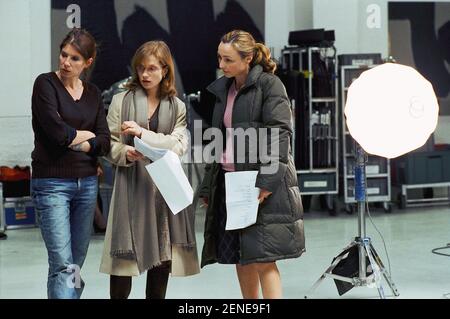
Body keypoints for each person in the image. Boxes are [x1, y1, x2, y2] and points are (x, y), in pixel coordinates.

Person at [197, 30, 305, 299]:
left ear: (248, 59)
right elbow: (218, 141)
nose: (221, 65)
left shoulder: (270, 86)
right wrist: (209, 187)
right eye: (219, 58)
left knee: (263, 257)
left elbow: (280, 135)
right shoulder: (224, 89)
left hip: (257, 184)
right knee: (239, 256)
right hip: (229, 181)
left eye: (228, 60)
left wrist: (266, 182)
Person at [100, 41, 200, 299]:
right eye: (141, 68)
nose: (145, 74)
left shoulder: (177, 105)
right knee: (123, 264)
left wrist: (142, 133)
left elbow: (178, 146)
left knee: (162, 261)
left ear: (165, 70)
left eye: (152, 68)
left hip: (164, 191)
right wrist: (126, 153)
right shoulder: (120, 101)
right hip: (131, 187)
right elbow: (109, 144)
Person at [30, 28, 111, 299]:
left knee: (75, 264)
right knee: (63, 266)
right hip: (51, 183)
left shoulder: (93, 93)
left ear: (87, 62)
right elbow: (56, 133)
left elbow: (104, 141)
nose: (66, 62)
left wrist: (79, 139)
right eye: (64, 55)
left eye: (75, 58)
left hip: (87, 184)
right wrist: (86, 136)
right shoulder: (45, 84)